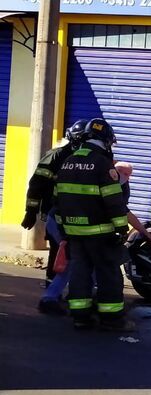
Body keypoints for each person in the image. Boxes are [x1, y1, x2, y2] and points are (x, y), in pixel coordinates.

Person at [54, 118, 135, 331]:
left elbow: (58, 200)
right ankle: (112, 319)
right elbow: (113, 201)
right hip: (101, 233)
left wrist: (64, 229)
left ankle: (81, 316)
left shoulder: (67, 162)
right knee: (108, 273)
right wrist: (121, 229)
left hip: (74, 232)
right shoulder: (102, 165)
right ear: (105, 140)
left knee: (80, 272)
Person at [21, 119, 89, 315]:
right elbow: (37, 185)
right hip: (54, 214)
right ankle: (51, 296)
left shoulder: (83, 158)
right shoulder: (56, 156)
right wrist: (30, 212)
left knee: (70, 254)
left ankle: (61, 294)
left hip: (73, 214)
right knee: (59, 254)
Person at [114, 161, 151, 248]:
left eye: (128, 175)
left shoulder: (124, 187)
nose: (126, 177)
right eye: (123, 173)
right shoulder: (103, 185)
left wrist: (148, 235)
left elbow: (125, 212)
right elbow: (125, 213)